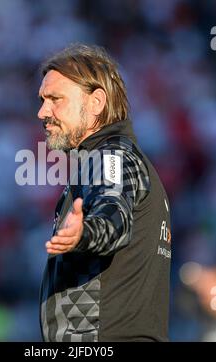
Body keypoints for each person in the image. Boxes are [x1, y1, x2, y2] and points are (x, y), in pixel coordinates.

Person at [37, 44, 171, 342]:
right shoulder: (117, 158)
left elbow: (112, 218)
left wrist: (85, 232)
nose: (42, 112)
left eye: (55, 99)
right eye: (42, 100)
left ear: (97, 102)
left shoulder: (111, 156)